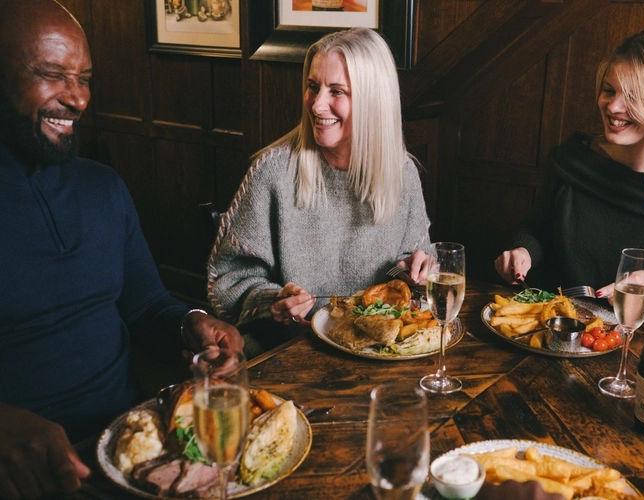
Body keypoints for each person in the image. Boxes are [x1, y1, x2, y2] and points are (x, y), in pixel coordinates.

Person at [0, 1, 243, 498]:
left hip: (135, 449)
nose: (78, 98)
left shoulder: (102, 187)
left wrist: (193, 323)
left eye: (84, 79)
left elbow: (147, 306)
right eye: (52, 74)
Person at [494, 28, 644, 322]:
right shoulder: (574, 158)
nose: (613, 106)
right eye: (609, 90)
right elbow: (535, 229)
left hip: (638, 341)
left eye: (633, 96)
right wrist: (523, 250)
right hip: (555, 327)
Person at [207, 28, 431, 340]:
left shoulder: (402, 172)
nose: (316, 105)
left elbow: (408, 272)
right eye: (313, 87)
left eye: (336, 91)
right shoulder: (273, 171)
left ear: (374, 101)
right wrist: (274, 301)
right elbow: (226, 280)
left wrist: (411, 272)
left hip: (376, 348)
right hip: (290, 346)